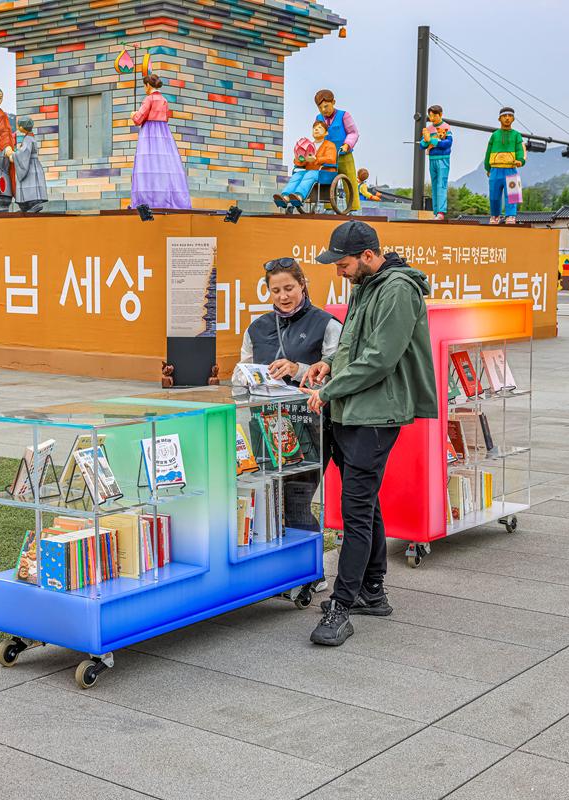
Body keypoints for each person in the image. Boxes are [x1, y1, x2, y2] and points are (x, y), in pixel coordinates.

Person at [299, 221, 438, 647]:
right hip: (353, 408)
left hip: (376, 414)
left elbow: (380, 358)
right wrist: (329, 366)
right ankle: (372, 591)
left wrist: (330, 388)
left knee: (355, 512)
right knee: (365, 502)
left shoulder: (397, 289)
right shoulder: (365, 283)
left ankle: (343, 606)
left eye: (343, 264)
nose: (339, 272)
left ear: (369, 255)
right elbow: (353, 346)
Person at [232, 258, 340, 532]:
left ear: (303, 285)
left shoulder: (326, 324)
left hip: (310, 427)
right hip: (263, 426)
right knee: (267, 504)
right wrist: (246, 377)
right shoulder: (256, 328)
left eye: (289, 288)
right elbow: (240, 373)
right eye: (276, 290)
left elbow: (341, 374)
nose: (283, 296)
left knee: (297, 505)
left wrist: (297, 368)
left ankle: (311, 572)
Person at [131, 73, 191, 210]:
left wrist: (133, 115)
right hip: (163, 134)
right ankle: (166, 199)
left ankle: (148, 200)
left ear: (147, 85)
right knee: (163, 165)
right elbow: (166, 117)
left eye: (144, 86)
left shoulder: (148, 99)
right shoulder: (164, 100)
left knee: (147, 165)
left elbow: (138, 119)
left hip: (149, 134)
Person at [274, 121, 338, 212]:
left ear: (326, 133)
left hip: (325, 172)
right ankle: (285, 197)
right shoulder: (307, 145)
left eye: (320, 128)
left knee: (309, 175)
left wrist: (316, 159)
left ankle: (299, 196)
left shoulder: (330, 145)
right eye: (314, 128)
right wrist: (300, 160)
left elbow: (331, 159)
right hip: (309, 171)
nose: (316, 129)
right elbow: (299, 161)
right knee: (297, 175)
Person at [314, 89, 360, 213]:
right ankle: (329, 207)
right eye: (320, 107)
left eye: (326, 106)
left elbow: (353, 132)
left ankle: (353, 208)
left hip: (344, 154)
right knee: (328, 180)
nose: (324, 110)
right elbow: (317, 133)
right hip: (328, 156)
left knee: (349, 179)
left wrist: (347, 144)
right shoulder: (319, 118)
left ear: (333, 102)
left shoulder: (344, 115)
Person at [483, 107, 525, 225]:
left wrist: (521, 160)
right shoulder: (494, 135)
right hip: (495, 169)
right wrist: (487, 167)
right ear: (499, 118)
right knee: (494, 195)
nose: (507, 118)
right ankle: (495, 215)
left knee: (513, 194)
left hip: (511, 168)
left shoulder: (517, 135)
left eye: (510, 116)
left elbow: (521, 149)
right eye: (504, 116)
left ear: (513, 119)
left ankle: (511, 216)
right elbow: (488, 152)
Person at [420, 104, 452, 220]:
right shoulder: (428, 129)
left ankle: (441, 212)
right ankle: (435, 211)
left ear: (440, 115)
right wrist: (425, 140)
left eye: (434, 115)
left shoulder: (446, 127)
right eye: (430, 115)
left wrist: (431, 140)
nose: (432, 118)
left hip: (443, 160)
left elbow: (447, 143)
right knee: (434, 185)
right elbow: (422, 145)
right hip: (432, 159)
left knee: (441, 185)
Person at [10, 116, 48, 213]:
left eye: (18, 126)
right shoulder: (30, 137)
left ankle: (34, 204)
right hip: (32, 164)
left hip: (30, 165)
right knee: (29, 184)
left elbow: (24, 152)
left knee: (30, 183)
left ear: (22, 127)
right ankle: (25, 206)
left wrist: (13, 155)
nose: (18, 127)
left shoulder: (28, 139)